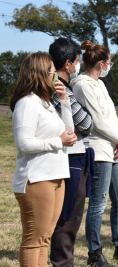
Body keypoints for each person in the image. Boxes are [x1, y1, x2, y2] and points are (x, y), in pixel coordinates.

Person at [71, 40, 118, 266]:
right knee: (99, 204)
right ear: (101, 64)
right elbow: (97, 121)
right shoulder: (82, 85)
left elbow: (112, 116)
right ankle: (94, 253)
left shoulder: (99, 84)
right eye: (109, 63)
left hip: (112, 148)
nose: (110, 67)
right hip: (98, 150)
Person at [9, 52, 77, 266]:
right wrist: (58, 142)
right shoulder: (27, 103)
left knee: (44, 239)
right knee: (34, 240)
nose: (55, 74)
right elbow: (24, 144)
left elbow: (69, 131)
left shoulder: (45, 103)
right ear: (40, 73)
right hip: (37, 179)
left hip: (56, 176)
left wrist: (65, 101)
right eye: (51, 70)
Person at [48, 37, 95, 267]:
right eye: (76, 62)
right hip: (70, 158)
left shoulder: (63, 87)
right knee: (67, 216)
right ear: (68, 63)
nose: (77, 66)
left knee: (73, 215)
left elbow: (84, 123)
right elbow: (86, 124)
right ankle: (63, 262)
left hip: (75, 155)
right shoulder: (59, 88)